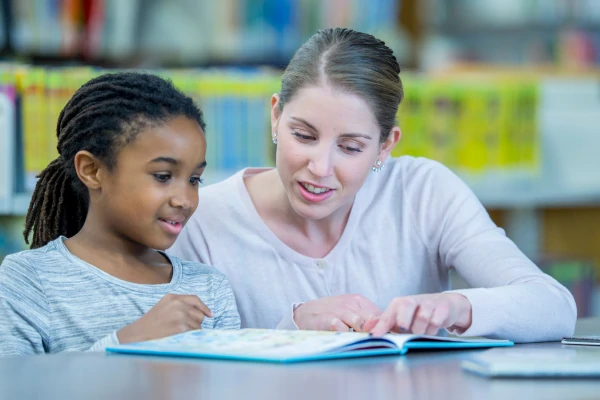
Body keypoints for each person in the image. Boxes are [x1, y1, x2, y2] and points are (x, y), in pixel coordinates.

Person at [168, 28, 576, 342]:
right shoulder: (202, 218)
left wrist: (455, 305)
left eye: (350, 147)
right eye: (304, 136)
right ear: (276, 117)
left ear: (385, 146)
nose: (320, 167)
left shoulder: (422, 191)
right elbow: (173, 361)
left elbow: (554, 305)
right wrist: (286, 329)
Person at [0, 72, 240, 357]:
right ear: (92, 170)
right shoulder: (29, 279)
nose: (185, 200)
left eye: (194, 179)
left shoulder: (209, 287)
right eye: (163, 176)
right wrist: (126, 342)